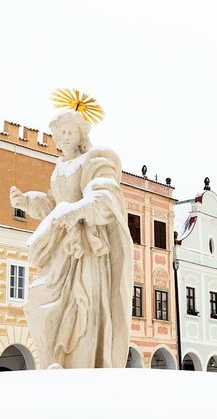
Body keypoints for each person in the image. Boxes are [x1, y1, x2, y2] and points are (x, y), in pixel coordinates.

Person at [9, 109, 133, 369]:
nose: (64, 137)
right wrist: (28, 202)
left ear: (80, 134)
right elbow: (54, 205)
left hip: (86, 247)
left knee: (83, 304)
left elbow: (106, 196)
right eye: (59, 133)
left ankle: (77, 361)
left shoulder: (94, 160)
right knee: (38, 300)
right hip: (60, 244)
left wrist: (77, 210)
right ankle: (55, 359)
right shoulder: (60, 167)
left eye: (69, 131)